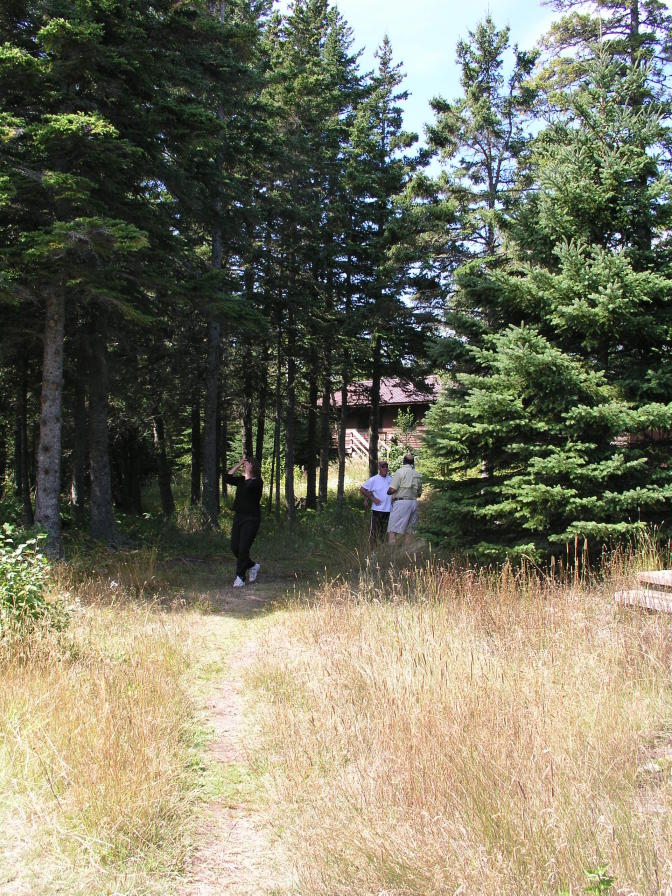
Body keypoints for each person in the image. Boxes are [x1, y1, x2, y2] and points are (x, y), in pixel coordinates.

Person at [224, 456, 263, 587]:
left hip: (251, 519)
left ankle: (240, 577)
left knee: (243, 548)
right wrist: (239, 464)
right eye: (244, 464)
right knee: (235, 547)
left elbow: (249, 486)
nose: (244, 465)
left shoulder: (257, 482)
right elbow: (227, 478)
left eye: (247, 464)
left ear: (253, 466)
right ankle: (252, 565)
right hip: (239, 517)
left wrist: (246, 473)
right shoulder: (241, 480)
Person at [387, 453, 422, 547]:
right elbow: (419, 494)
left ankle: (391, 552)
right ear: (413, 462)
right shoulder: (417, 475)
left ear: (403, 461)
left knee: (392, 529)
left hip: (401, 503)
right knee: (409, 531)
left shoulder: (400, 472)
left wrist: (388, 492)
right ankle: (407, 552)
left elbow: (392, 489)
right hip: (413, 502)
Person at [360, 459, 392, 545]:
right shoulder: (373, 479)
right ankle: (372, 551)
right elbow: (363, 489)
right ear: (379, 468)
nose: (385, 468)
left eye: (386, 466)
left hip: (389, 510)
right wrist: (372, 499)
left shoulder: (391, 479)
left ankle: (383, 550)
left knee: (385, 532)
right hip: (377, 510)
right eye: (383, 466)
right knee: (374, 532)